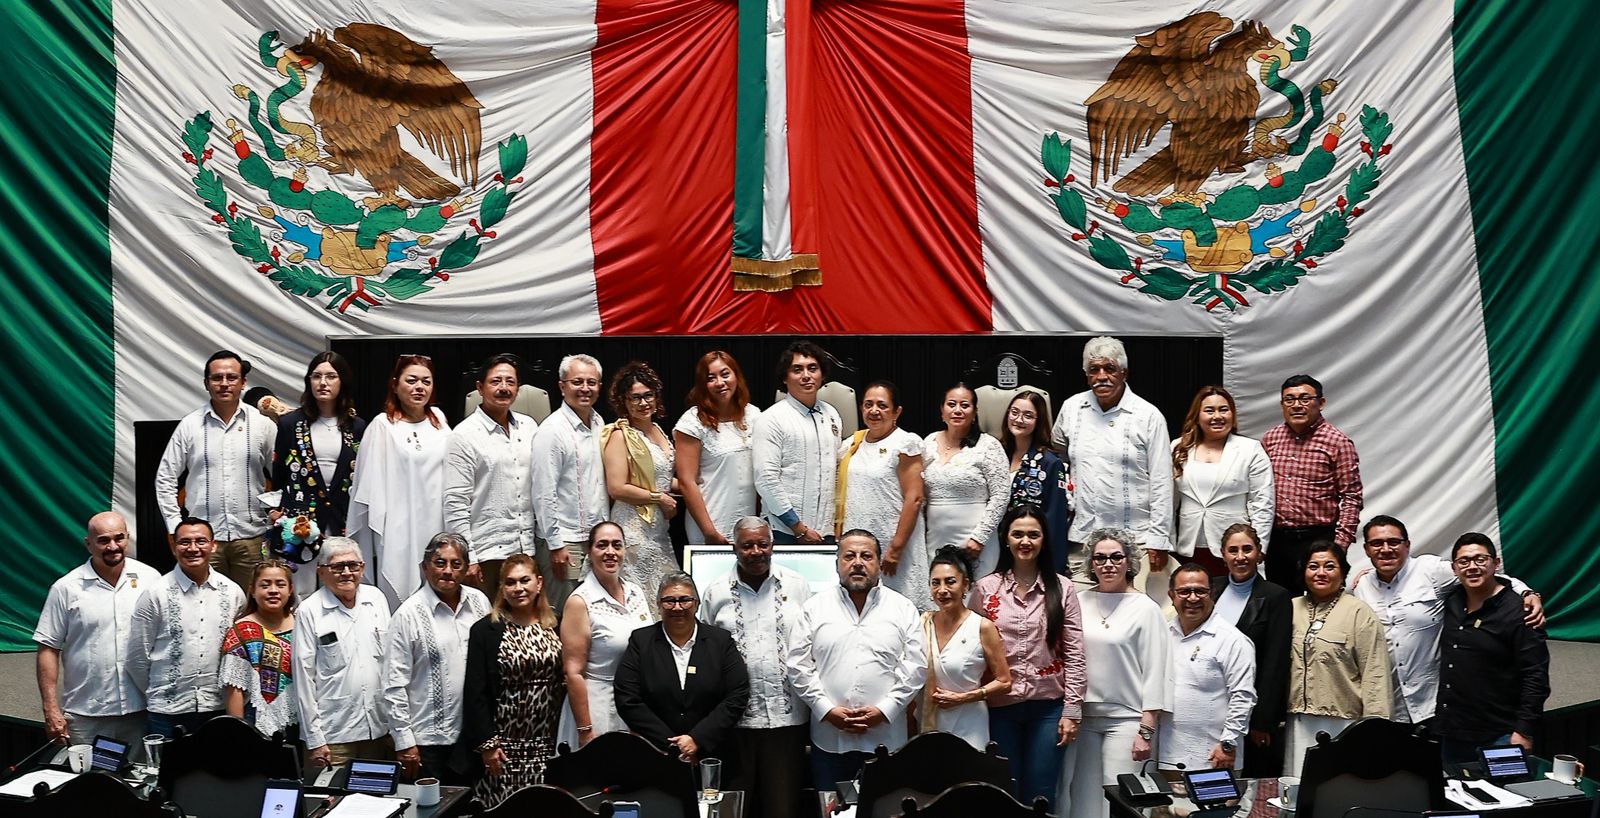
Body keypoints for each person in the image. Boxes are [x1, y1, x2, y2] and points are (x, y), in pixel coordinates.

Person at [1349, 515, 1541, 727]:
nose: (1385, 549)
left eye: (1393, 542)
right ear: (1366, 549)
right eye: (1377, 543)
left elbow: (1479, 572)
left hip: (1432, 703)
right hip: (1388, 705)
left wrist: (1527, 593)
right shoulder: (1361, 586)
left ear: (1407, 545)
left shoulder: (1430, 570)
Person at [787, 530, 926, 793]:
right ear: (837, 563)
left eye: (866, 556)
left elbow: (915, 667)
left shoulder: (903, 608)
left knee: (884, 809)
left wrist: (884, 709)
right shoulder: (814, 608)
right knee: (831, 809)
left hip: (885, 740)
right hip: (830, 739)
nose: (858, 563)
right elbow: (798, 666)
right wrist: (826, 709)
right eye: (849, 556)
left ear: (879, 563)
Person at [970, 506, 1085, 812]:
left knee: (1041, 793)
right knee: (1002, 791)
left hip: (1048, 708)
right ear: (1006, 539)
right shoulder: (985, 589)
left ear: (1044, 540)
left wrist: (1072, 711)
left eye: (1033, 534)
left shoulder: (1063, 588)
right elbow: (970, 649)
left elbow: (1074, 653)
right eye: (1017, 534)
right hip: (999, 708)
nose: (1025, 541)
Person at [699, 517, 813, 818]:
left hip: (788, 719)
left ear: (772, 545)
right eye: (747, 545)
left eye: (763, 544)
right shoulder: (715, 592)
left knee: (783, 808)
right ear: (734, 549)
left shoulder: (797, 585)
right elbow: (706, 654)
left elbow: (811, 644)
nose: (756, 552)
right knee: (734, 808)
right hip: (736, 723)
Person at [1049, 337, 1174, 598]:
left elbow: (1162, 481)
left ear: (1124, 373)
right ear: (1086, 376)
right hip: (1084, 539)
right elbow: (1057, 455)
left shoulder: (1148, 416)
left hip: (1137, 541)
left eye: (1109, 368)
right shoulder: (1072, 408)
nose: (1101, 376)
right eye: (1094, 369)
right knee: (1082, 612)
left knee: (1134, 612)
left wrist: (1159, 539)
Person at [1064, 528, 1170, 818]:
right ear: (1091, 563)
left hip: (1127, 720)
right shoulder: (1079, 602)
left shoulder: (1146, 608)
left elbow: (1156, 671)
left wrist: (1146, 731)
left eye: (1116, 557)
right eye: (1100, 558)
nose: (1108, 564)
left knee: (1123, 806)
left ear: (1129, 561)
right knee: (1082, 803)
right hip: (1084, 719)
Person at [34, 511, 163, 747]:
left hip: (142, 710)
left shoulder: (151, 579)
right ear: (88, 544)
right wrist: (50, 709)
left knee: (142, 772)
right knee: (87, 773)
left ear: (127, 538)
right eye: (103, 540)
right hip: (86, 716)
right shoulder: (66, 588)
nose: (113, 546)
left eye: (119, 538)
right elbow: (48, 648)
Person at [154, 350, 275, 590]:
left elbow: (283, 476)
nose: (224, 383)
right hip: (203, 542)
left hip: (253, 539)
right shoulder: (189, 425)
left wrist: (275, 516)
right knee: (202, 604)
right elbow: (165, 478)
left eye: (232, 377)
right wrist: (176, 526)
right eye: (217, 378)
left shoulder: (263, 424)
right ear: (206, 383)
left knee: (253, 606)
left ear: (243, 382)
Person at [384, 533, 491, 784]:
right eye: (440, 563)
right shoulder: (408, 615)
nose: (448, 571)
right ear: (425, 567)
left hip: (474, 737)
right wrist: (404, 741)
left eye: (456, 564)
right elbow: (394, 684)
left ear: (466, 568)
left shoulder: (479, 603)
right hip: (428, 741)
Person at [1435, 533, 1550, 765]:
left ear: (1496, 564)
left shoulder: (1521, 613)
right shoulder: (1451, 601)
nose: (1472, 567)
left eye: (1480, 559)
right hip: (1452, 732)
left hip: (1500, 735)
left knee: (1506, 789)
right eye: (1464, 561)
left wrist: (1524, 730)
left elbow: (1535, 676)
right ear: (1454, 569)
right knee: (1453, 788)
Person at [347, 354, 452, 608]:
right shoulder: (383, 425)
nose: (419, 387)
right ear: (395, 385)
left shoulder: (439, 420)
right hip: (398, 526)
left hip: (437, 519)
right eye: (411, 380)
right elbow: (368, 487)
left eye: (426, 381)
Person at [129, 517, 247, 738]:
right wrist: (164, 691)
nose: (193, 548)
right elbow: (137, 657)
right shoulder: (155, 594)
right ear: (174, 547)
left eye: (201, 541)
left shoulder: (233, 593)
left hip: (218, 707)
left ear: (213, 545)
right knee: (168, 763)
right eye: (184, 542)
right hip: (167, 711)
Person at [463, 554, 564, 808]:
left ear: (539, 583)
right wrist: (488, 745)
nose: (518, 588)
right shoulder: (485, 630)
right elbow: (476, 692)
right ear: (502, 588)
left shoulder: (556, 624)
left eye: (524, 580)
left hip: (548, 744)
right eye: (510, 582)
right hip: (504, 748)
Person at [615, 573, 751, 762]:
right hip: (656, 753)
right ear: (658, 605)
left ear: (697, 604)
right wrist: (674, 745)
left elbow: (737, 695)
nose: (677, 607)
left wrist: (697, 739)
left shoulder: (721, 641)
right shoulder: (641, 641)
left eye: (685, 600)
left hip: (713, 752)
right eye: (669, 601)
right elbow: (627, 698)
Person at [1285, 541, 1391, 777]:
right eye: (1313, 566)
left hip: (1343, 723)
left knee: (1338, 786)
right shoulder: (1289, 608)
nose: (1321, 573)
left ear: (1342, 572)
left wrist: (1375, 728)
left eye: (1329, 566)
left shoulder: (1359, 613)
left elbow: (1375, 674)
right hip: (1297, 721)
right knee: (1298, 785)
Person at [271, 351, 366, 597]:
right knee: (300, 591)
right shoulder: (290, 423)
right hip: (300, 521)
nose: (323, 383)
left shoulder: (356, 426)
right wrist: (275, 510)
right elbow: (279, 474)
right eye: (316, 376)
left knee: (340, 585)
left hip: (342, 517)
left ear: (342, 381)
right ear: (308, 381)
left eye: (331, 376)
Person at [294, 538, 393, 768]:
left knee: (376, 790)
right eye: (338, 567)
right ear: (321, 571)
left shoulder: (376, 599)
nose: (347, 572)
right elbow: (303, 678)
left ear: (362, 568)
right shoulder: (309, 610)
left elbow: (391, 663)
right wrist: (314, 739)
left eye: (353, 565)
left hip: (378, 728)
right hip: (333, 735)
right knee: (331, 791)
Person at [445, 353, 538, 595]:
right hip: (486, 553)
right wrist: (467, 557)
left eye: (510, 382)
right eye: (495, 381)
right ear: (480, 387)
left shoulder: (530, 427)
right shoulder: (463, 435)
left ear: (518, 389)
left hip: (526, 548)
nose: (503, 388)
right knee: (488, 617)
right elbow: (455, 503)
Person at [1261, 375, 1364, 594]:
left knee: (1322, 601)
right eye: (1289, 399)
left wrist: (1339, 546)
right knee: (1280, 602)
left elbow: (1352, 497)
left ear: (1321, 403)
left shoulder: (1338, 442)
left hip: (1318, 538)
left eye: (1305, 398)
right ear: (1282, 405)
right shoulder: (1270, 439)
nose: (1297, 405)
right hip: (1277, 540)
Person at [557, 522, 653, 748]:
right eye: (602, 545)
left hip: (635, 705)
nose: (610, 552)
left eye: (617, 545)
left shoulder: (636, 592)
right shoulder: (580, 601)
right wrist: (585, 729)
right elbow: (573, 672)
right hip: (597, 707)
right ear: (589, 552)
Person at [1210, 524, 1293, 779]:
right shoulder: (1211, 588)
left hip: (1250, 713)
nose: (1240, 557)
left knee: (1244, 785)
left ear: (1259, 553)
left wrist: (1262, 721)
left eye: (1247, 549)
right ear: (1223, 554)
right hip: (1209, 707)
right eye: (1233, 550)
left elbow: (1275, 662)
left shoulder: (1276, 596)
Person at [838, 380, 930, 609]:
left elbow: (915, 499)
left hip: (894, 545)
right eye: (868, 404)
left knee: (899, 608)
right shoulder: (852, 444)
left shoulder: (905, 443)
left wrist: (895, 549)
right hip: (859, 544)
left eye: (882, 405)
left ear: (896, 411)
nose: (874, 411)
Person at [1160, 564, 1256, 773]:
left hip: (1214, 758)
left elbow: (1243, 696)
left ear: (1212, 594)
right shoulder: (1162, 634)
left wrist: (1228, 743)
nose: (1193, 598)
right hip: (1166, 757)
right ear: (1171, 595)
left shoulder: (1232, 640)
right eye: (1184, 591)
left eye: (1200, 591)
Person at [1171, 386, 1274, 579]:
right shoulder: (1178, 447)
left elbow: (1262, 502)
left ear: (1232, 415)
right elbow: (1168, 502)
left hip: (1236, 550)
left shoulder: (1250, 449)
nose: (1217, 416)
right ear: (1197, 415)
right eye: (1209, 410)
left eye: (1224, 410)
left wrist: (1258, 547)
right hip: (1188, 547)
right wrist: (1165, 543)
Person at [532, 354, 608, 611]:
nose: (585, 388)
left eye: (591, 382)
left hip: (595, 538)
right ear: (562, 386)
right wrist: (555, 545)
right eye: (577, 382)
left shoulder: (599, 422)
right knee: (563, 613)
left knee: (593, 612)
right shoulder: (552, 430)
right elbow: (543, 493)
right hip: (565, 540)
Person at [921, 545, 1011, 751]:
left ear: (965, 585)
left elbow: (1004, 682)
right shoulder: (923, 624)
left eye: (950, 582)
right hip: (930, 721)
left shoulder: (982, 626)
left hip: (970, 723)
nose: (942, 590)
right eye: (935, 583)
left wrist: (964, 698)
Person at [752, 341, 842, 544]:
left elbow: (836, 470)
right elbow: (766, 479)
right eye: (797, 370)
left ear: (822, 375)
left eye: (812, 368)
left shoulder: (832, 414)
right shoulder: (771, 419)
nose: (806, 375)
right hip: (785, 530)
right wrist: (798, 528)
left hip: (826, 531)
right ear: (785, 377)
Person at [602, 361, 679, 595]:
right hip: (633, 529)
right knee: (640, 596)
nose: (643, 403)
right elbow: (616, 488)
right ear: (623, 402)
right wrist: (659, 498)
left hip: (658, 529)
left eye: (648, 395)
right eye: (635, 398)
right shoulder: (620, 435)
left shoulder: (658, 430)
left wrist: (694, 487)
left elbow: (662, 477)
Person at [922, 383, 1010, 577]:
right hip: (935, 537)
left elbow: (1001, 495)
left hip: (975, 540)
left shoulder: (989, 445)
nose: (957, 410)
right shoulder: (928, 442)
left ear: (974, 412)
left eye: (964, 405)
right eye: (951, 404)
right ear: (942, 410)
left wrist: (980, 537)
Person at [674, 351, 761, 545]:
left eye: (725, 374)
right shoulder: (692, 422)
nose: (720, 382)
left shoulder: (754, 415)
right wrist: (709, 531)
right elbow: (687, 482)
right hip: (711, 522)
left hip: (749, 524)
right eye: (710, 378)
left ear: (736, 376)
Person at [221, 559, 299, 737]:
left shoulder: (302, 622)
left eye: (280, 584)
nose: (273, 590)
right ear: (252, 590)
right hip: (255, 722)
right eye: (265, 585)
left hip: (302, 718)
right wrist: (239, 735)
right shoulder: (242, 631)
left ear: (290, 590)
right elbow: (234, 687)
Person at [1000, 391, 1069, 578]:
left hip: (1031, 552)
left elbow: (1055, 519)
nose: (1019, 420)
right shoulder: (995, 453)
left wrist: (1054, 570)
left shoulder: (1050, 463)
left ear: (1039, 421)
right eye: (1014, 412)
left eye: (1028, 415)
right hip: (997, 547)